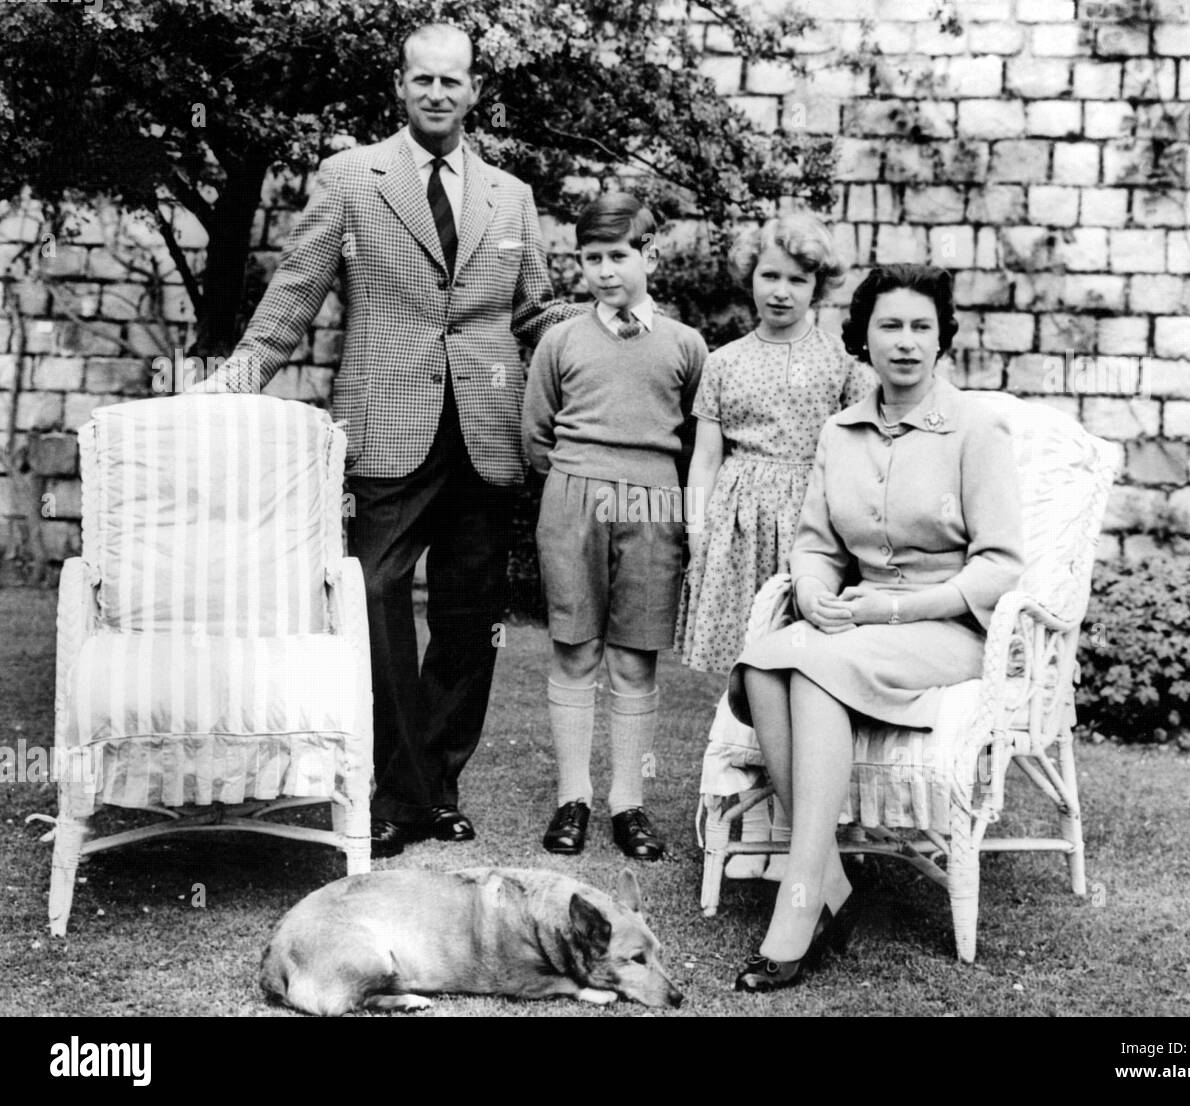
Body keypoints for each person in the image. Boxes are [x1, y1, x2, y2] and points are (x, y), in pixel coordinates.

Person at [189, 24, 580, 857]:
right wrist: (237, 375)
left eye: (454, 81)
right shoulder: (350, 178)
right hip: (387, 425)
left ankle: (433, 789)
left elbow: (536, 313)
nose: (439, 93)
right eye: (423, 80)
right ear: (400, 87)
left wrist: (610, 326)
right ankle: (400, 786)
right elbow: (297, 286)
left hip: (486, 430)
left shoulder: (509, 195)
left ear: (475, 91)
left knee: (471, 620)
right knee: (375, 602)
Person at [726, 264, 1024, 992]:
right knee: (766, 662)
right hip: (856, 623)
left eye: (922, 326)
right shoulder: (841, 430)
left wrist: (893, 608)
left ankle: (799, 909)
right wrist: (816, 590)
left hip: (944, 628)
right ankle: (828, 878)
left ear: (943, 339)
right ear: (863, 338)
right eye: (890, 325)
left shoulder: (976, 430)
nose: (906, 342)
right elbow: (815, 544)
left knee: (816, 668)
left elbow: (1000, 566)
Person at [677, 214, 870, 879]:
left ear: (819, 286)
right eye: (769, 276)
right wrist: (698, 529)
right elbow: (704, 458)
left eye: (797, 279)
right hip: (738, 522)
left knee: (800, 668)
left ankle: (802, 825)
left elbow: (860, 452)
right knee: (744, 671)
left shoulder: (842, 366)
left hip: (811, 528)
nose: (781, 291)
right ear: (749, 280)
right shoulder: (723, 361)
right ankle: (743, 819)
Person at [522, 193, 707, 861]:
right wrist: (579, 483)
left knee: (633, 656)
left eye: (619, 255)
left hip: (654, 500)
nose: (604, 270)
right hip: (573, 494)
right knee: (574, 649)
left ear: (649, 255)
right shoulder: (562, 339)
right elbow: (535, 435)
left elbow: (698, 439)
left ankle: (628, 802)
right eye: (591, 257)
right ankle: (573, 797)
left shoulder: (685, 344)